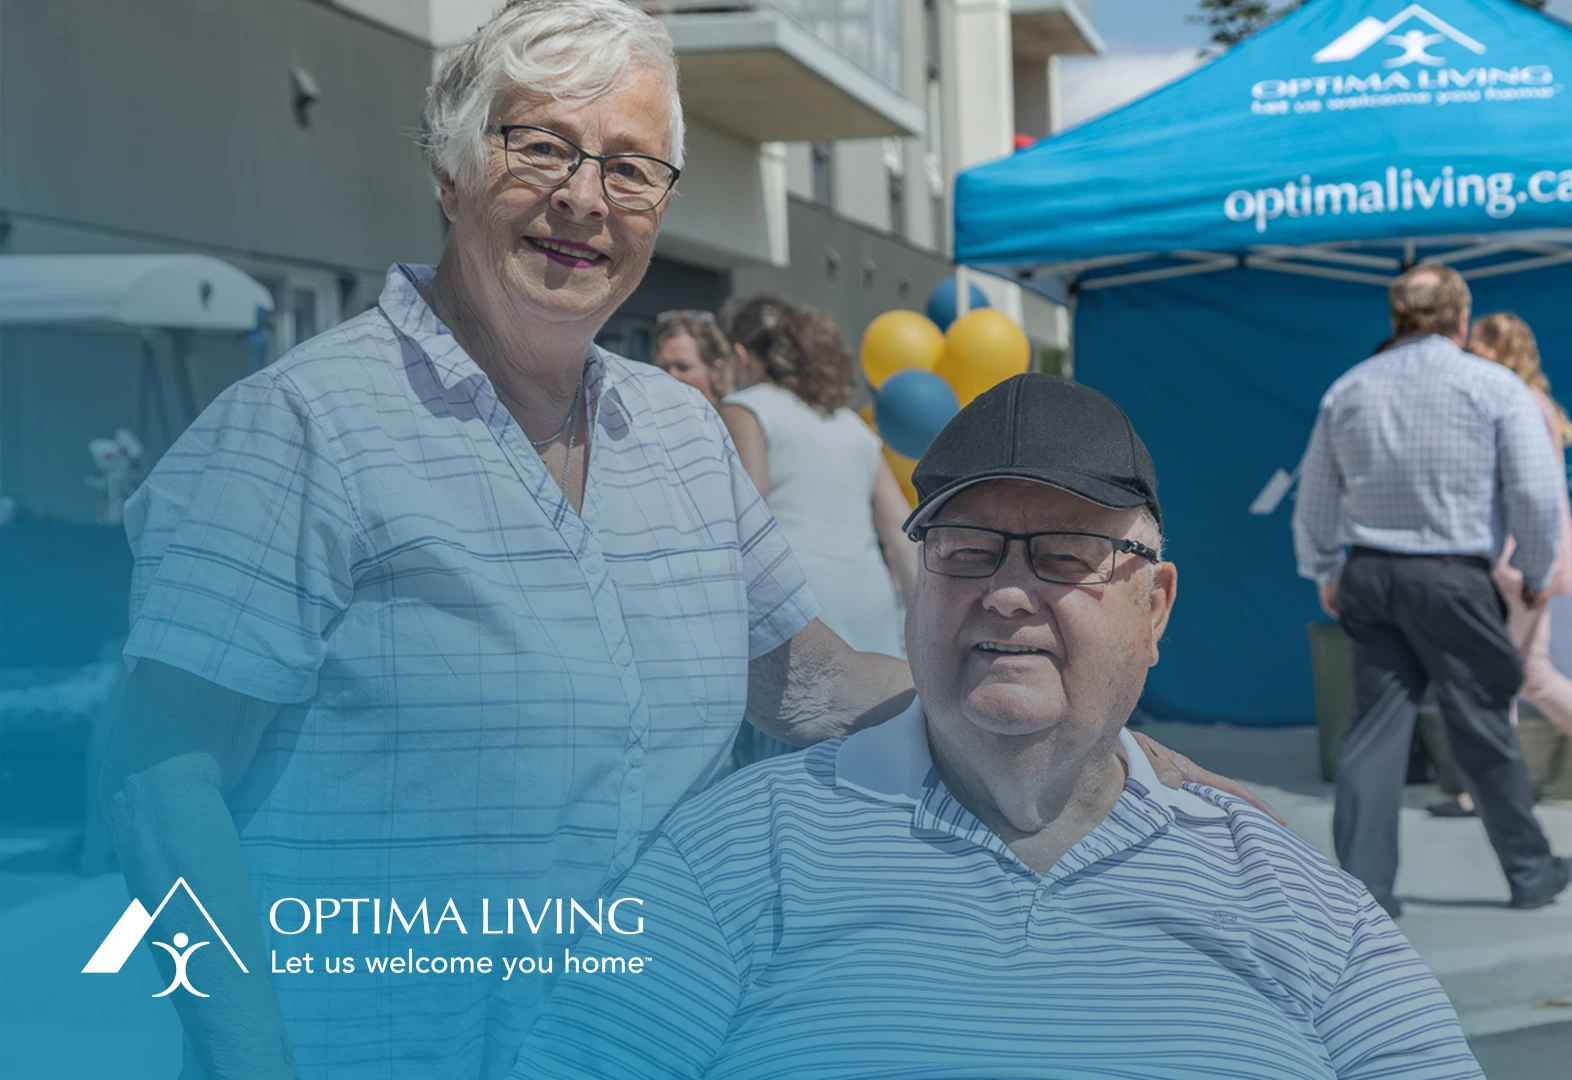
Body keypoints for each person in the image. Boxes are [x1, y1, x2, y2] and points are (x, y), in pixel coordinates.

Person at [97, 10, 1243, 1073]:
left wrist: (1104, 748)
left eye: (630, 167)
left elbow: (809, 682)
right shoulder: (299, 426)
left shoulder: (683, 432)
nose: (585, 199)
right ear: (450, 171)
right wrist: (245, 1055)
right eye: (539, 147)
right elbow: (158, 782)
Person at [510, 375, 1484, 1080]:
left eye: (1066, 555)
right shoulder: (734, 856)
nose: (1009, 593)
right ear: (918, 588)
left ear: (1155, 608)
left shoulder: (1287, 892)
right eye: (968, 550)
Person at [1293, 263, 1569, 916]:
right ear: (1461, 319)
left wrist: (1326, 568)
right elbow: (1534, 492)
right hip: (1452, 577)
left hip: (1372, 571)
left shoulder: (1349, 388)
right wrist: (1534, 571)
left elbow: (1315, 496)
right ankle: (1530, 871)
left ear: (1394, 319)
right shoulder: (1495, 388)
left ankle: (1365, 891)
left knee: (1373, 734)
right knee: (1482, 727)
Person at [1428, 312, 1572, 818]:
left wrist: (1524, 560)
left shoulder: (1514, 401)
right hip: (1532, 552)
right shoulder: (1535, 402)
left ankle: (1489, 787)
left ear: (1497, 350)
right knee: (1529, 672)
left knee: (1497, 672)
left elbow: (1524, 491)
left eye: (1475, 351)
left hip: (1518, 555)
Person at [720, 296, 920, 765]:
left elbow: (746, 517)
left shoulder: (745, 408)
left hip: (797, 608)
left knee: (784, 772)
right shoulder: (853, 426)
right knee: (874, 759)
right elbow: (899, 530)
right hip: (868, 598)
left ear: (742, 356)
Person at [650, 308, 732, 404]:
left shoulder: (732, 417)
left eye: (683, 367)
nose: (671, 376)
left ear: (715, 370)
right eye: (663, 368)